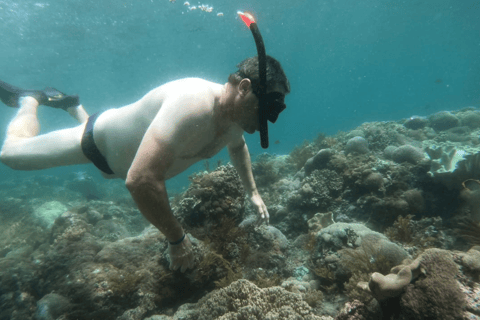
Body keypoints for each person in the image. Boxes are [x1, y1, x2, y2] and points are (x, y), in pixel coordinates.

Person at [0, 55, 290, 272]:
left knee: (112, 164)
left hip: (117, 155)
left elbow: (238, 148)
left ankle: (72, 105)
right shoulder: (192, 104)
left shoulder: (238, 116)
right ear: (244, 86)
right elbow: (140, 180)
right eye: (261, 111)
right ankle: (30, 100)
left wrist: (252, 192)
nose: (260, 124)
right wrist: (177, 240)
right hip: (96, 144)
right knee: (11, 155)